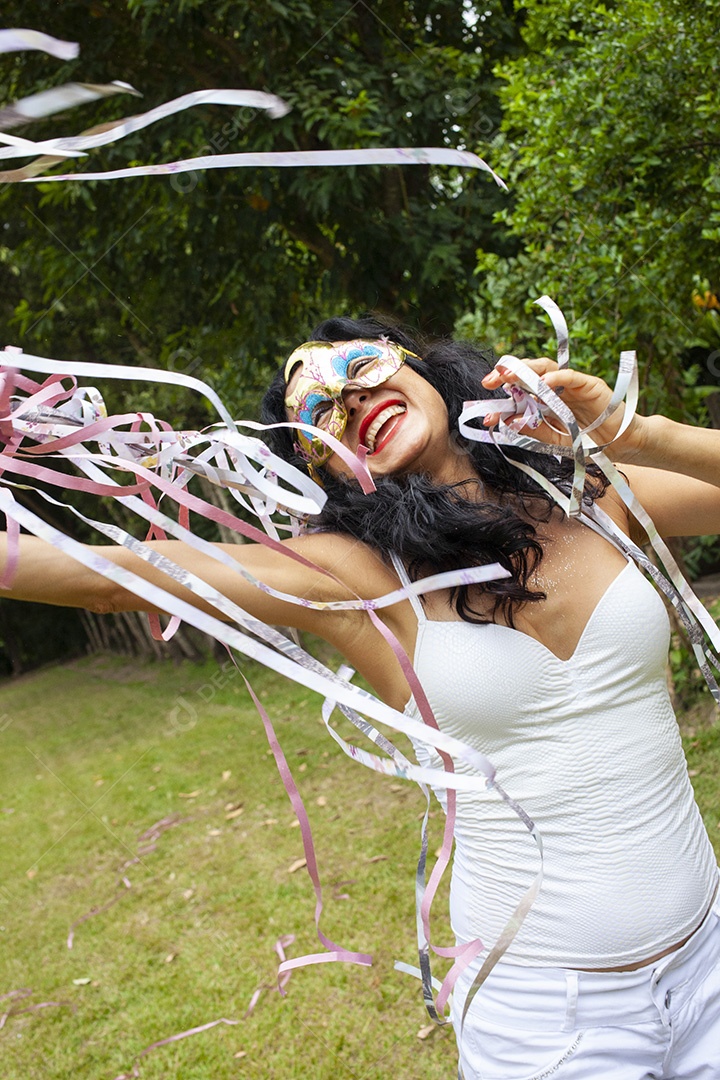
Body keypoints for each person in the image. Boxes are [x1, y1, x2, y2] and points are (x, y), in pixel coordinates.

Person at [2, 315, 720, 1079]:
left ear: (420, 365)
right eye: (316, 415)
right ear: (330, 470)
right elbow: (108, 575)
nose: (348, 400)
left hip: (709, 959)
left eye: (361, 367)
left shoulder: (587, 491)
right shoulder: (356, 580)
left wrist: (634, 431)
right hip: (550, 1020)